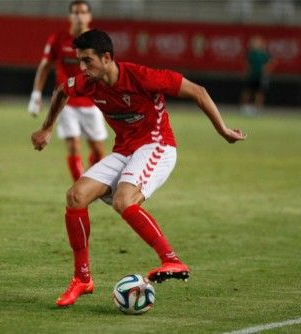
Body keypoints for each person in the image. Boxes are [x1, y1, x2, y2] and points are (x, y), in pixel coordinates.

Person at [31, 29, 246, 307]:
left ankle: (172, 260)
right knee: (76, 196)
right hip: (125, 151)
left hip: (157, 145)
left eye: (87, 61)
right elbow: (61, 91)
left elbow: (198, 91)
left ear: (106, 57)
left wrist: (224, 130)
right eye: (80, 62)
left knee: (124, 200)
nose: (82, 68)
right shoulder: (87, 83)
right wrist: (47, 128)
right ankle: (82, 279)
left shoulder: (142, 76)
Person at [28, 0, 107, 181]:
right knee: (73, 145)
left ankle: (94, 183)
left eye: (83, 12)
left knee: (98, 149)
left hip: (92, 101)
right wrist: (36, 95)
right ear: (70, 16)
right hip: (66, 102)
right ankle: (80, 187)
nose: (79, 16)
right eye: (75, 12)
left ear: (89, 16)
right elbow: (45, 66)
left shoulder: (97, 41)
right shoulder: (58, 38)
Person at [240, 36, 276, 116]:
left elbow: (272, 61)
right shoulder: (251, 53)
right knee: (247, 91)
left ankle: (257, 109)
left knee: (259, 92)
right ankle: (244, 108)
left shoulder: (264, 54)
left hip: (261, 76)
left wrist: (266, 69)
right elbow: (246, 62)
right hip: (252, 75)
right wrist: (247, 70)